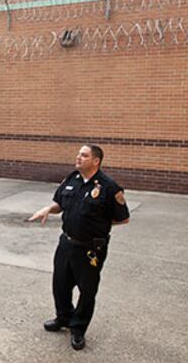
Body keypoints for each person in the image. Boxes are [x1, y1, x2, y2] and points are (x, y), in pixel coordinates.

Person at [29, 145, 130, 351]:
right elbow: (60, 204)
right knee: (60, 284)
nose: (78, 157)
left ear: (96, 161)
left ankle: (78, 328)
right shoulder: (72, 179)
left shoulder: (109, 187)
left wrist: (99, 226)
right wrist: (48, 209)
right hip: (66, 243)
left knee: (87, 291)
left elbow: (123, 218)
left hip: (90, 249)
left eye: (84, 155)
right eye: (78, 154)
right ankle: (63, 318)